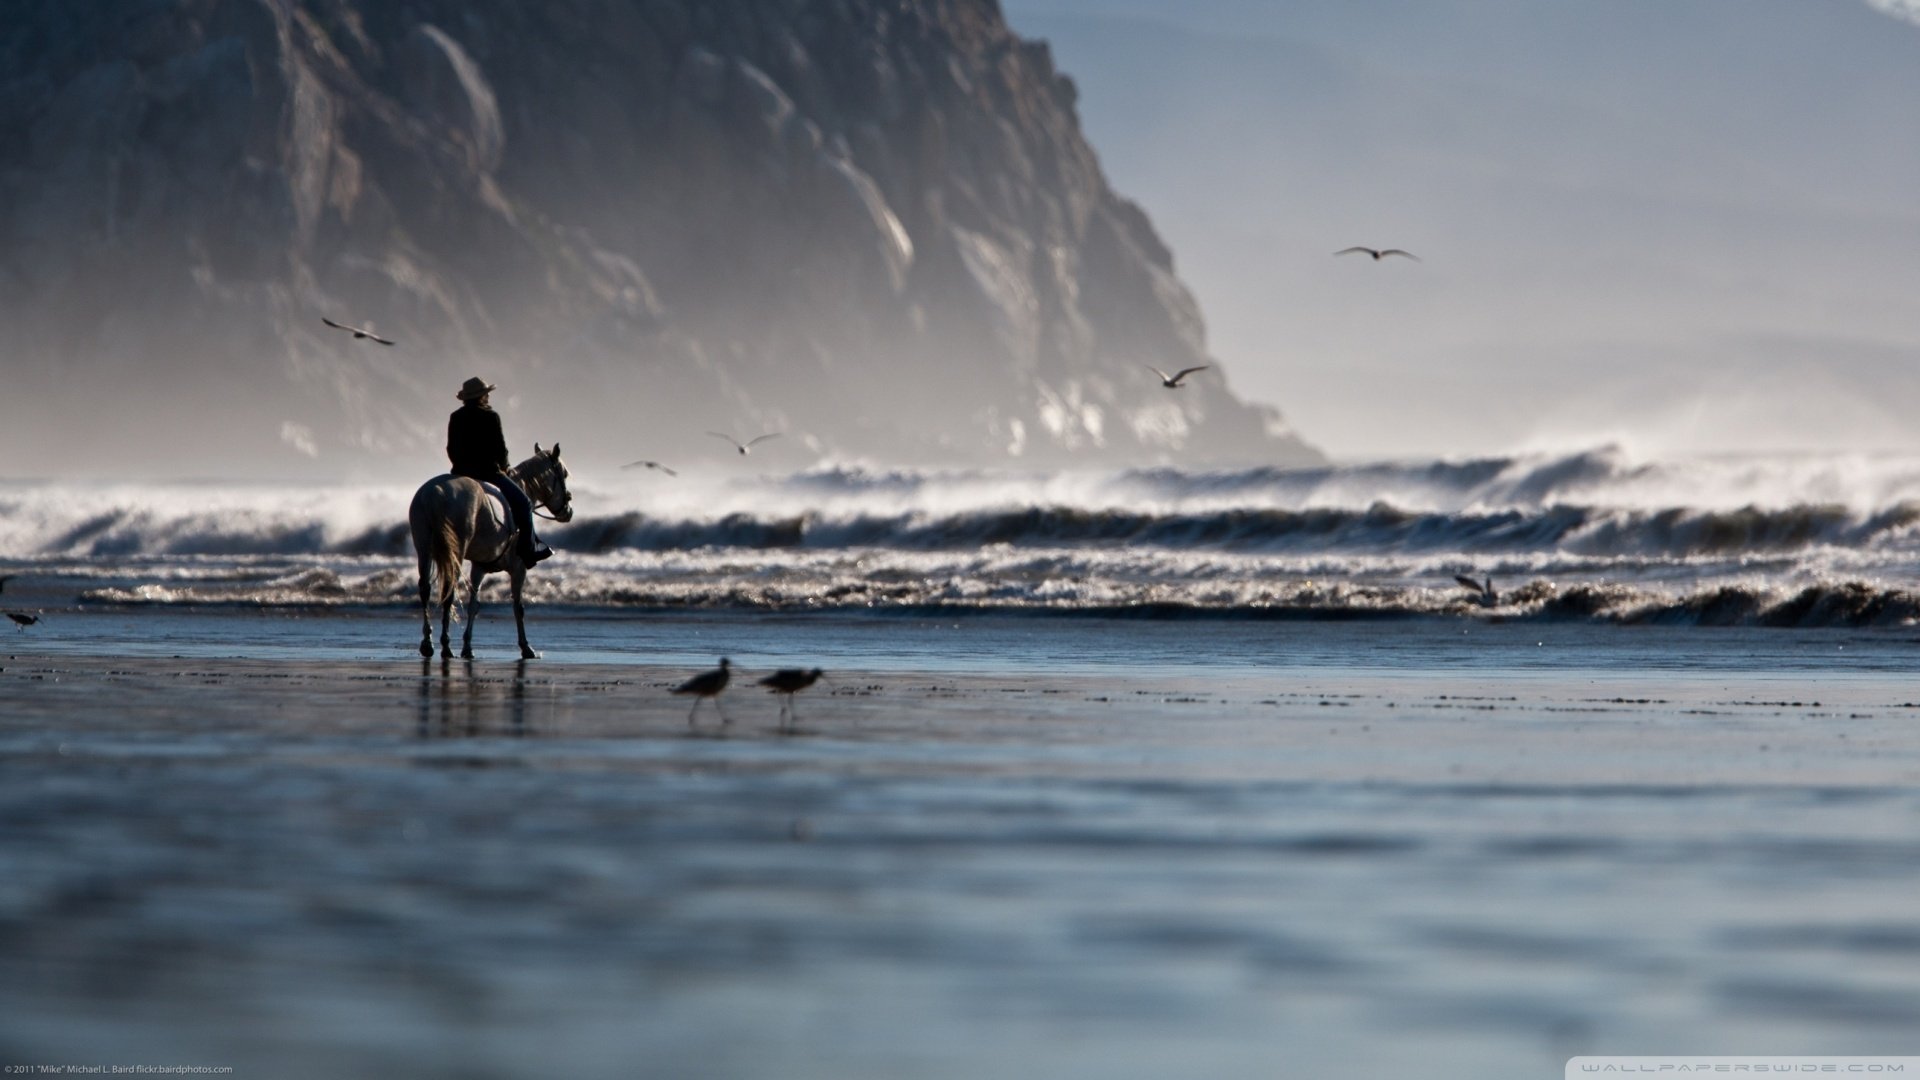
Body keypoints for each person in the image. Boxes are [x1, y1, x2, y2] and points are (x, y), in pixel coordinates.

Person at [447, 377, 552, 565]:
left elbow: (451, 449)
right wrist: (505, 467)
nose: (488, 396)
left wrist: (460, 467)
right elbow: (500, 449)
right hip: (487, 472)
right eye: (486, 394)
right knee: (525, 503)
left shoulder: (456, 417)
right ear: (481, 396)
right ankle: (528, 551)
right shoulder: (490, 416)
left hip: (460, 474)